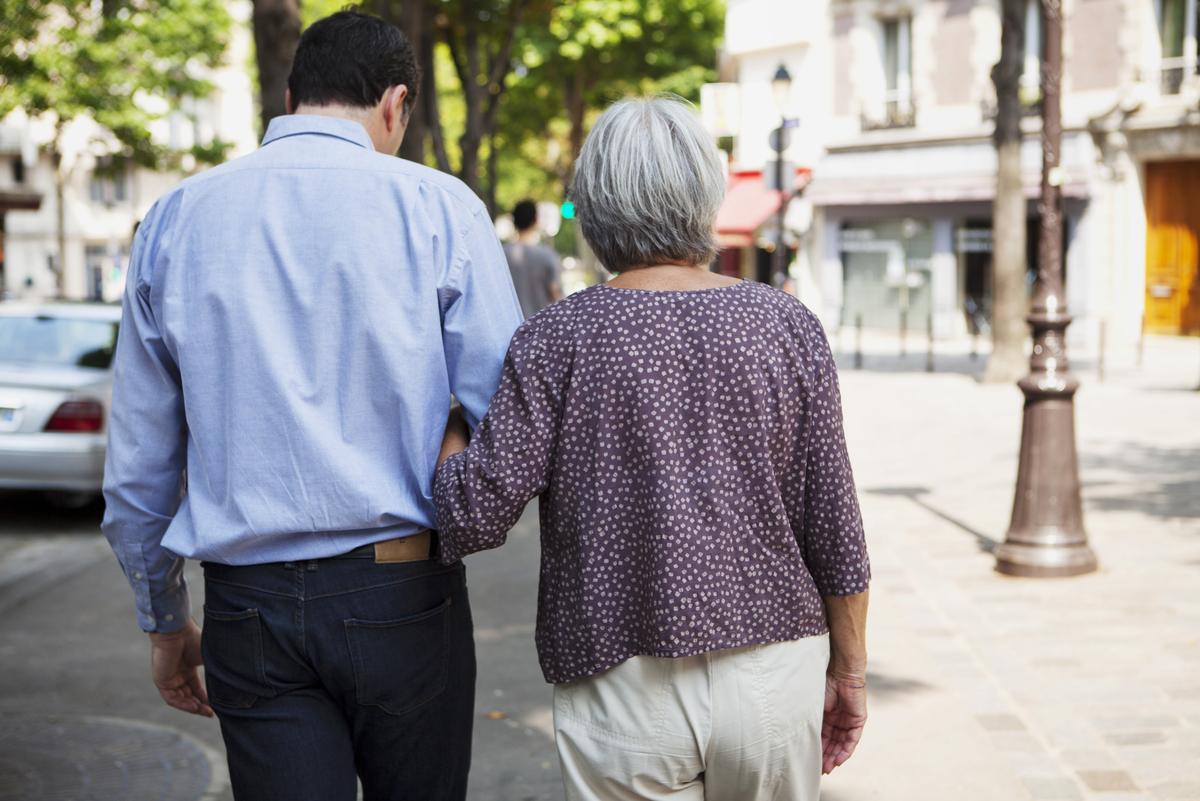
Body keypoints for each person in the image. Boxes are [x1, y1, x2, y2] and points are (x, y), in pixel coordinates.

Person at [101, 11, 522, 801]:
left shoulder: (174, 219)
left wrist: (164, 620)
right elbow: (509, 411)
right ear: (397, 104)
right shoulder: (441, 208)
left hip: (244, 605)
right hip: (402, 587)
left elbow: (137, 468)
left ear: (291, 98)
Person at [433, 96, 870, 801]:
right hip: (773, 670)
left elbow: (473, 514)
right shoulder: (786, 325)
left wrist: (454, 423)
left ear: (595, 205)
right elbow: (835, 527)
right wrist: (848, 669)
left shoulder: (556, 337)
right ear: (706, 193)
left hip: (617, 676)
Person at [504, 199, 563, 318]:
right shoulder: (547, 255)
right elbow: (556, 296)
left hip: (507, 327)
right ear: (535, 221)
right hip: (538, 327)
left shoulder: (501, 254)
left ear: (513, 221)